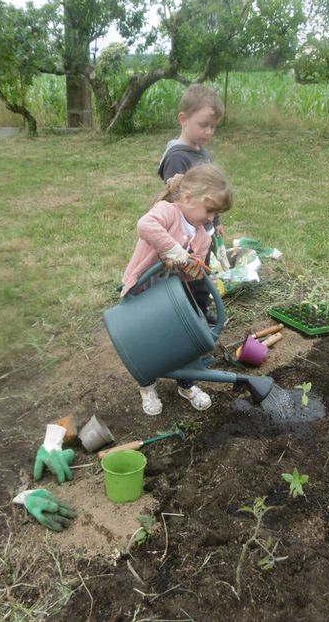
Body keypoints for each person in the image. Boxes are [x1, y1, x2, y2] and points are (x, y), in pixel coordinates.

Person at [122, 164, 233, 416]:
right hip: (143, 290)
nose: (211, 218)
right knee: (145, 340)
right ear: (188, 198)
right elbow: (145, 225)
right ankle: (147, 385)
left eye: (216, 213)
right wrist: (174, 251)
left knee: (180, 339)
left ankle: (186, 383)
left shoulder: (203, 237)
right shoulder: (167, 212)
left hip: (172, 299)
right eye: (210, 210)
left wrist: (192, 269)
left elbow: (188, 273)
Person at [158, 84, 225, 324]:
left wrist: (215, 221)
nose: (208, 132)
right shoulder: (178, 157)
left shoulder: (202, 154)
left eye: (213, 127)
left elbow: (212, 193)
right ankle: (184, 314)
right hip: (184, 235)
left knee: (202, 271)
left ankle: (201, 309)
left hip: (201, 230)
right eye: (204, 125)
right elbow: (175, 198)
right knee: (186, 275)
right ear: (183, 119)